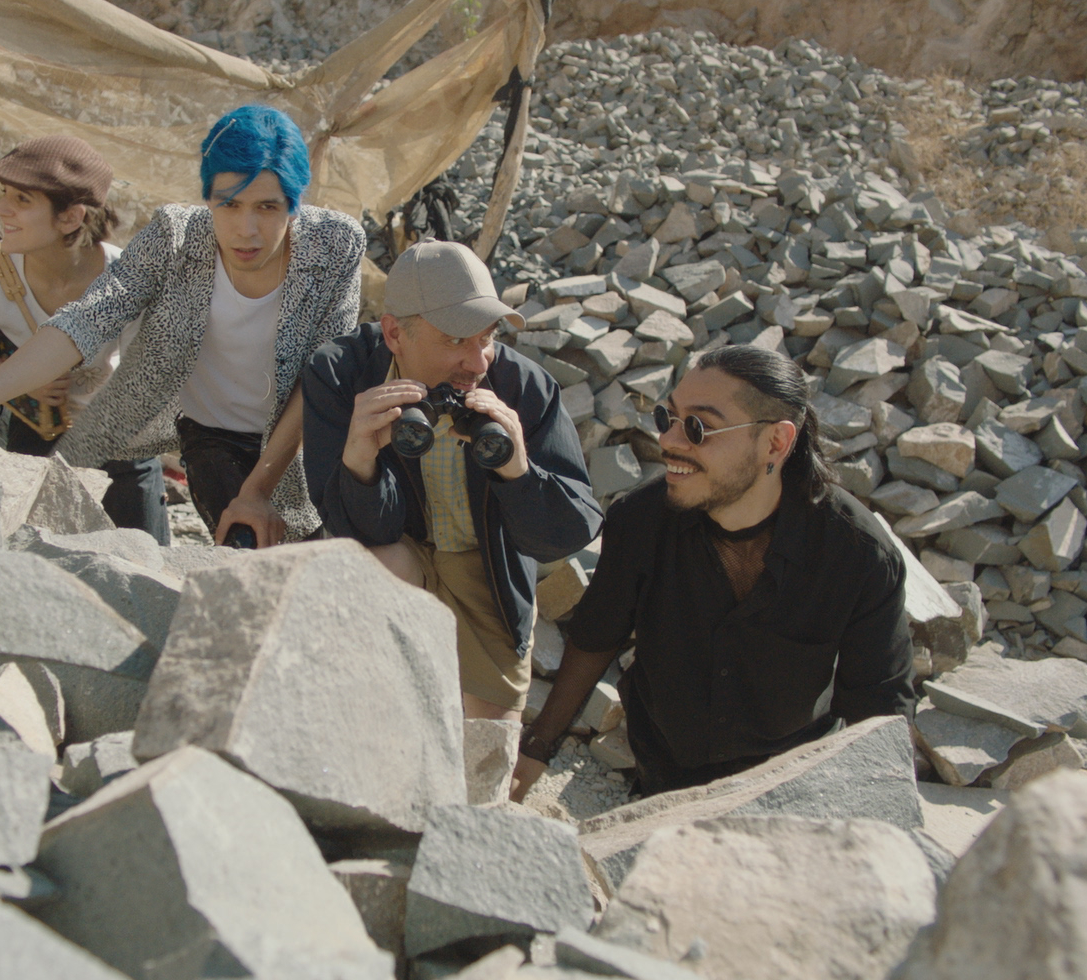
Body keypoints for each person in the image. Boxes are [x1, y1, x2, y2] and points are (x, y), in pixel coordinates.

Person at [0, 105, 362, 545]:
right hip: (211, 436)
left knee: (329, 562)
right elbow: (87, 319)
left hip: (302, 437)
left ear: (294, 203)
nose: (246, 229)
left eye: (267, 207)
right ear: (207, 198)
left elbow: (322, 375)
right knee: (250, 561)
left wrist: (261, 487)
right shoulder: (174, 237)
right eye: (228, 205)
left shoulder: (334, 247)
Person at [510, 344, 915, 801]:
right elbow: (596, 638)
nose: (669, 441)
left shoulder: (857, 554)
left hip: (791, 786)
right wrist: (537, 748)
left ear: (776, 442)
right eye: (669, 418)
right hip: (665, 778)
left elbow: (879, 709)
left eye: (700, 427)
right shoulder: (641, 521)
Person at [301, 241, 603, 721]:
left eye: (486, 337)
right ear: (396, 333)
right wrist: (361, 465)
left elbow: (565, 536)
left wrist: (519, 471)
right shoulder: (342, 373)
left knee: (485, 761)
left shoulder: (524, 386)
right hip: (400, 557)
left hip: (487, 571)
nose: (479, 363)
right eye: (456, 339)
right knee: (364, 715)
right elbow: (358, 535)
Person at [0, 135, 169, 541]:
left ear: (70, 218)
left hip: (119, 444)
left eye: (23, 200)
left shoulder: (125, 277)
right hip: (34, 430)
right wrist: (16, 380)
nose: (1, 209)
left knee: (147, 569)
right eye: (4, 194)